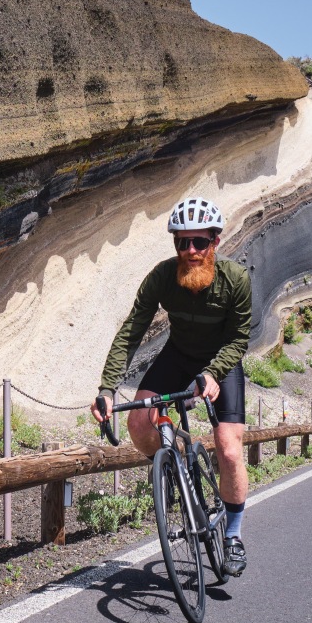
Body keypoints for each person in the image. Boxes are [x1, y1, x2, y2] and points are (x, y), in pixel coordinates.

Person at [91, 196, 252, 576]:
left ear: (215, 241)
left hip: (221, 361)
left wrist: (213, 373)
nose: (191, 250)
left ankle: (232, 536)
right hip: (178, 356)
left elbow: (238, 338)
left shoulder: (235, 279)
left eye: (200, 242)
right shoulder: (162, 277)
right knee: (138, 424)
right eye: (182, 242)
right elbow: (131, 332)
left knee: (229, 450)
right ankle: (177, 463)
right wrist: (107, 389)